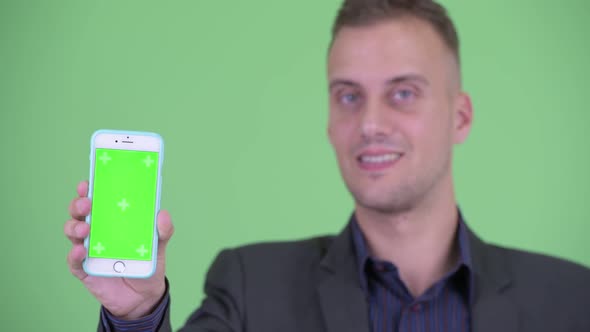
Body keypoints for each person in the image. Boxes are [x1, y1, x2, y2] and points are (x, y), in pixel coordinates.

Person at [65, 0, 590, 331]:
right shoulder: (249, 287)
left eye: (403, 93)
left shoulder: (573, 301)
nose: (369, 123)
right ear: (329, 122)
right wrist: (135, 315)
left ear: (461, 117)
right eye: (348, 96)